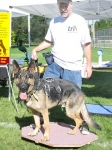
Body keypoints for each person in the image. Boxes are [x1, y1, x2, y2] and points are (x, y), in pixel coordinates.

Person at [31, 0, 92, 135]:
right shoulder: (54, 21)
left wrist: (88, 64)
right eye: (60, 5)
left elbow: (87, 44)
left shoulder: (80, 21)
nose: (63, 8)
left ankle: (84, 123)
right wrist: (36, 49)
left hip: (73, 67)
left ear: (71, 4)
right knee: (42, 91)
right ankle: (40, 119)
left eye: (65, 5)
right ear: (58, 5)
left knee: (76, 97)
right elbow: (48, 41)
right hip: (55, 65)